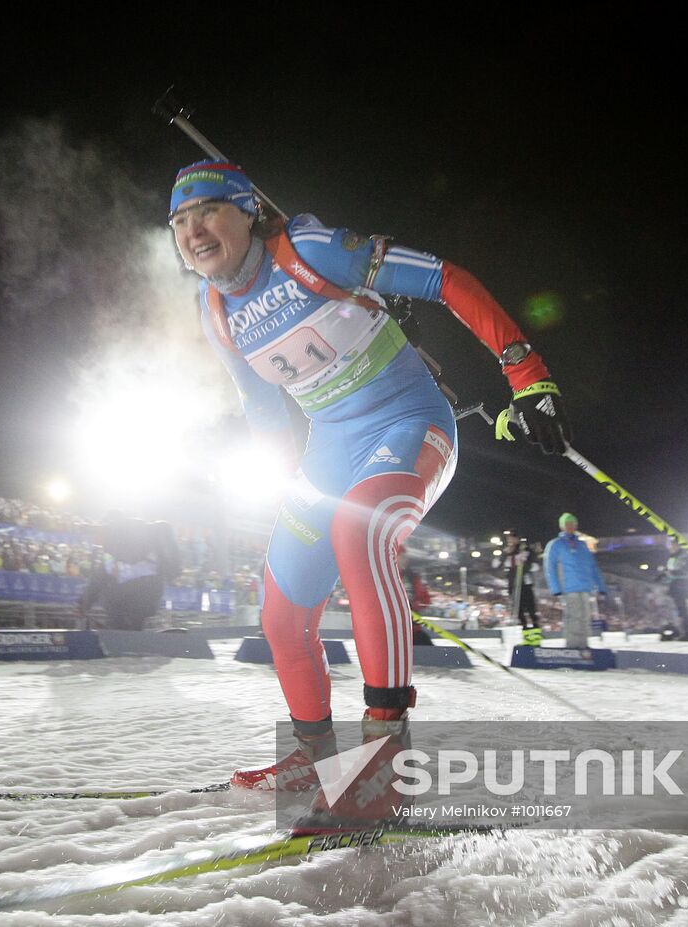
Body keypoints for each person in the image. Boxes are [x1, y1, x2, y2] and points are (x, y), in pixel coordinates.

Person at [168, 160, 571, 826]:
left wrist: (528, 376)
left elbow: (447, 278)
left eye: (206, 211)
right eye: (179, 221)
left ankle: (386, 759)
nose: (193, 230)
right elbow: (261, 405)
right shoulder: (215, 311)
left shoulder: (310, 252)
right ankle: (310, 754)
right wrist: (278, 479)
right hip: (328, 455)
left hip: (408, 423)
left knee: (360, 534)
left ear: (245, 210)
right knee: (280, 609)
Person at [543, 513, 606, 648]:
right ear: (562, 526)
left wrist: (600, 586)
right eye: (567, 524)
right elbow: (550, 567)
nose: (571, 527)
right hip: (568, 587)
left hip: (585, 587)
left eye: (573, 524)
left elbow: (593, 567)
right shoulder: (556, 545)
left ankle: (583, 645)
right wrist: (555, 588)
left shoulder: (583, 545)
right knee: (573, 616)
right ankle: (572, 645)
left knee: (585, 617)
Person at [504, 536, 543, 645]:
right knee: (520, 613)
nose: (511, 542)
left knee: (531, 611)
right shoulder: (507, 552)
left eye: (513, 539)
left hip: (525, 584)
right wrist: (505, 555)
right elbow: (496, 564)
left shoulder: (525, 551)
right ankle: (527, 638)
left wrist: (525, 565)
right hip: (513, 585)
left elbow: (535, 566)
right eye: (509, 540)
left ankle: (536, 638)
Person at [661, 536, 688, 640]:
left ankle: (687, 631)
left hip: (681, 586)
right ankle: (679, 630)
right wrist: (663, 576)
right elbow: (669, 572)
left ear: (677, 545)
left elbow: (685, 572)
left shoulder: (683, 556)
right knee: (677, 609)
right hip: (674, 586)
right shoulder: (672, 558)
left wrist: (671, 573)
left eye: (672, 545)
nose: (670, 548)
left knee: (682, 609)